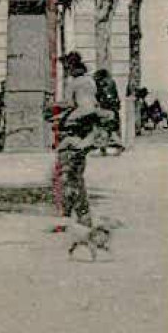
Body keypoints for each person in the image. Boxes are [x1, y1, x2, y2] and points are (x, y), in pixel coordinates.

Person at [55, 52, 99, 225]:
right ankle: (77, 211)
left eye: (67, 68)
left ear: (71, 67)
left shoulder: (73, 83)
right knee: (77, 172)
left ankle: (76, 212)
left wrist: (53, 106)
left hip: (75, 124)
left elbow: (69, 103)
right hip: (88, 126)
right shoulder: (89, 81)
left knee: (67, 173)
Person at [92, 66, 123, 154]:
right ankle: (111, 147)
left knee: (105, 129)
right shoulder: (111, 82)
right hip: (113, 109)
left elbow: (101, 97)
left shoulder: (103, 84)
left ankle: (105, 148)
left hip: (107, 109)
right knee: (111, 129)